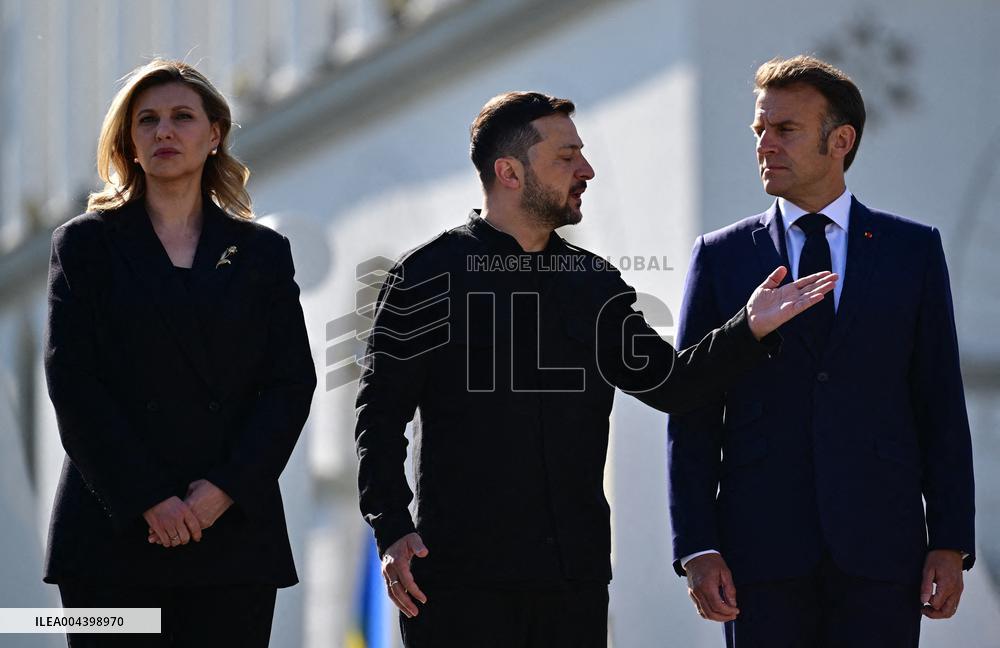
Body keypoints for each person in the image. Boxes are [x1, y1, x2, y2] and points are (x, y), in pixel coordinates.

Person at [355, 91, 836, 647]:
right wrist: (391, 527)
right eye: (566, 157)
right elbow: (380, 416)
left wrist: (747, 328)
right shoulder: (425, 276)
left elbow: (671, 384)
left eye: (581, 154)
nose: (586, 170)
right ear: (509, 172)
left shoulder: (594, 283)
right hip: (459, 583)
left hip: (572, 583)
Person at [668, 55, 975, 648]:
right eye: (759, 130)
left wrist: (950, 540)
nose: (765, 145)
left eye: (785, 130)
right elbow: (694, 411)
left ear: (840, 140)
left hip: (883, 551)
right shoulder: (721, 256)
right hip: (758, 555)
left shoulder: (911, 250)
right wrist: (698, 547)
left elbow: (939, 401)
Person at [43, 58, 316, 647]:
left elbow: (290, 383)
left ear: (214, 135)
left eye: (181, 117)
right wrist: (149, 501)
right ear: (130, 144)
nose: (164, 131)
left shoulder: (262, 252)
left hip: (232, 534)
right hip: (112, 534)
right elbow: (73, 383)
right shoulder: (85, 244)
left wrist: (221, 491)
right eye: (148, 121)